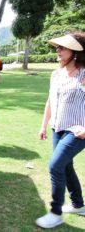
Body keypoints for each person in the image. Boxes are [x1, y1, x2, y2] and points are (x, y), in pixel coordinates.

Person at [36, 32, 85, 229]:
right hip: (57, 127)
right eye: (57, 47)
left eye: (62, 47)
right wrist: (43, 125)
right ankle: (78, 205)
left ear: (75, 52)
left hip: (77, 131)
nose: (58, 50)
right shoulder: (55, 74)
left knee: (55, 165)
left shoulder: (84, 73)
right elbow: (50, 101)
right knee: (65, 166)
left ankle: (56, 213)